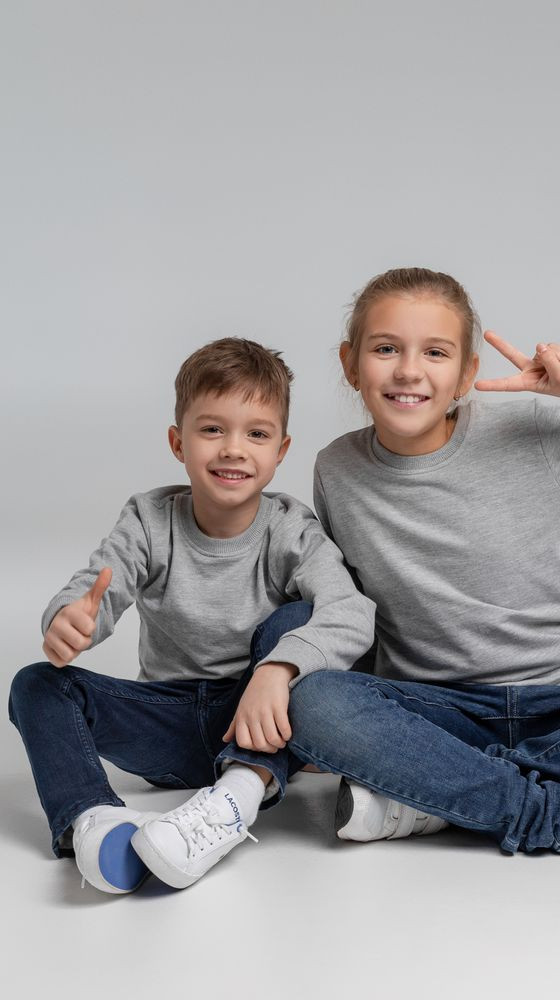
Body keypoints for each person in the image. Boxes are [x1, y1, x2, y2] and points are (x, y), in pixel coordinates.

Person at [236, 267, 560, 860]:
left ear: (467, 373)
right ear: (351, 364)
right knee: (316, 702)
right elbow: (357, 602)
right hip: (437, 710)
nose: (408, 370)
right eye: (386, 348)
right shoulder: (338, 469)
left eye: (435, 353)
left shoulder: (533, 436)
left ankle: (435, 794)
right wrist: (293, 672)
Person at [8, 337, 375, 893]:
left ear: (281, 449)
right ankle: (93, 822)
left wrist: (277, 672)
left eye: (256, 434)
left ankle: (238, 794)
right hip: (168, 721)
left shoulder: (289, 528)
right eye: (212, 430)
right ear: (178, 442)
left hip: (255, 718)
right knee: (35, 684)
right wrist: (70, 619)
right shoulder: (149, 519)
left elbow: (351, 610)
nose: (233, 449)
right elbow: (100, 585)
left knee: (299, 619)